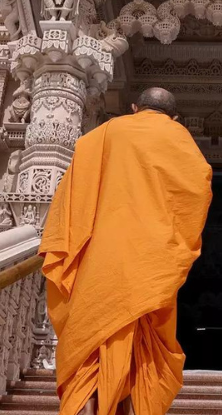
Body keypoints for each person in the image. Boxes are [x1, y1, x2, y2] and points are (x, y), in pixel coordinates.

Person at [40, 87, 212, 415]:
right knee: (140, 354)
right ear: (174, 117)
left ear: (134, 107)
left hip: (100, 262)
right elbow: (196, 194)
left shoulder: (101, 135)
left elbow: (71, 198)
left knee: (91, 352)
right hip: (152, 265)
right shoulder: (180, 140)